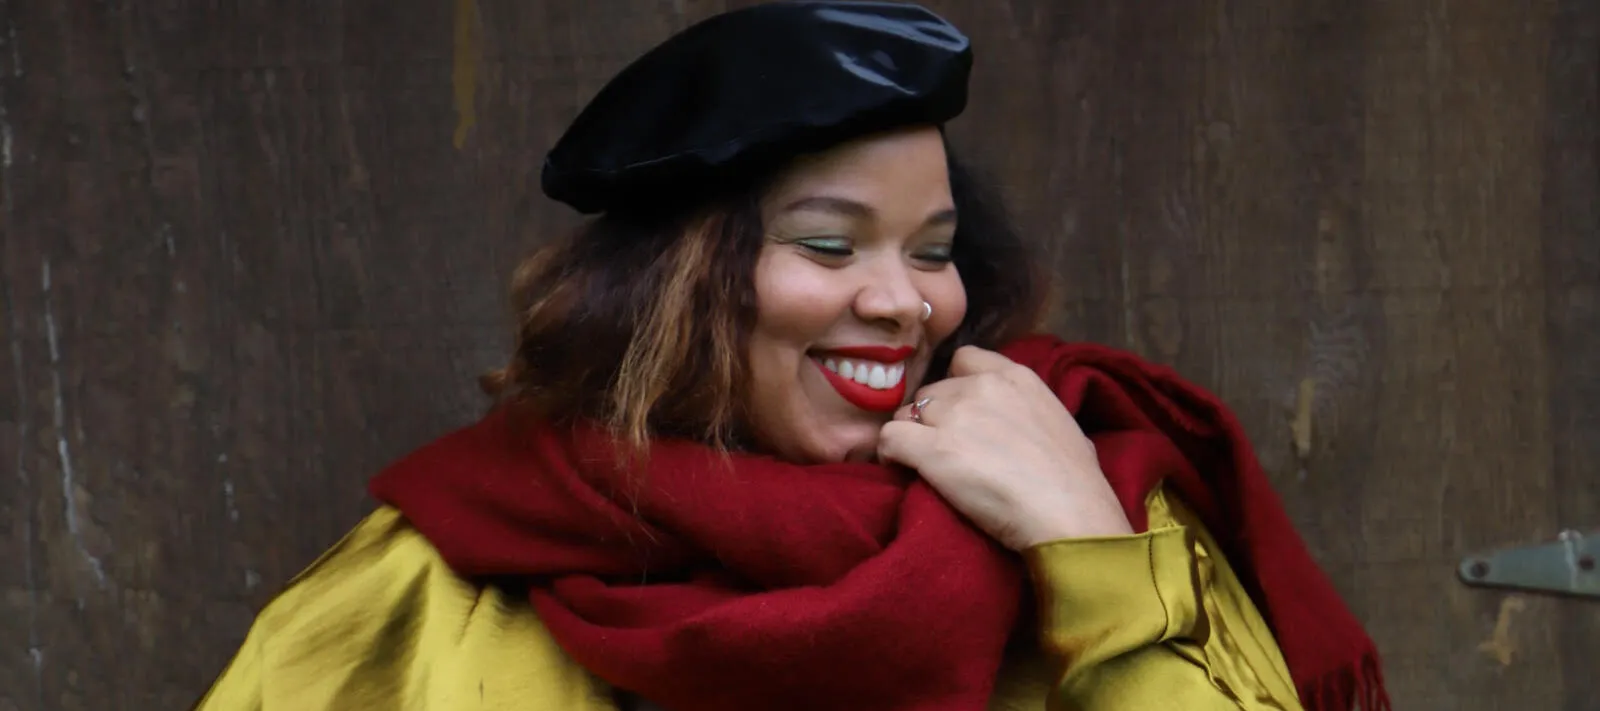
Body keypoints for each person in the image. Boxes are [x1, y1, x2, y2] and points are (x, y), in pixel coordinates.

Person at [192, 2, 1389, 710]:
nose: (901, 301)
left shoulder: (1106, 512)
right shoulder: (430, 578)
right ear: (670, 284)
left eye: (933, 251)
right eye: (829, 243)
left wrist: (1095, 560)